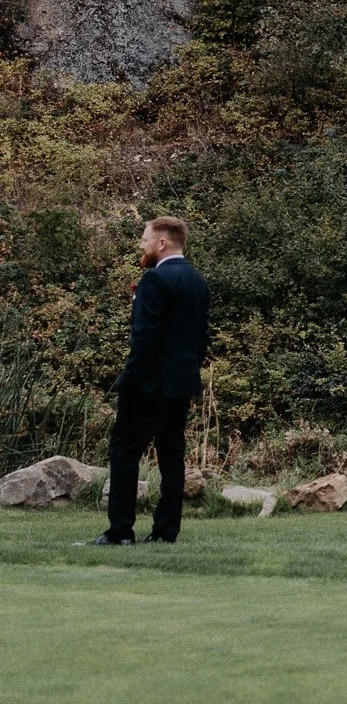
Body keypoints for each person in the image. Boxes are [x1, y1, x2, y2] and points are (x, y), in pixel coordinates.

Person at [90, 216, 212, 545]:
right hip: (180, 383)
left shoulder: (154, 280)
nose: (142, 245)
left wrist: (129, 378)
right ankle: (165, 532)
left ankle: (120, 531)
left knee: (124, 452)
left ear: (161, 243)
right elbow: (202, 337)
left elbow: (144, 337)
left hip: (147, 383)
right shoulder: (198, 282)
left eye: (145, 239)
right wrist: (187, 370)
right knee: (171, 455)